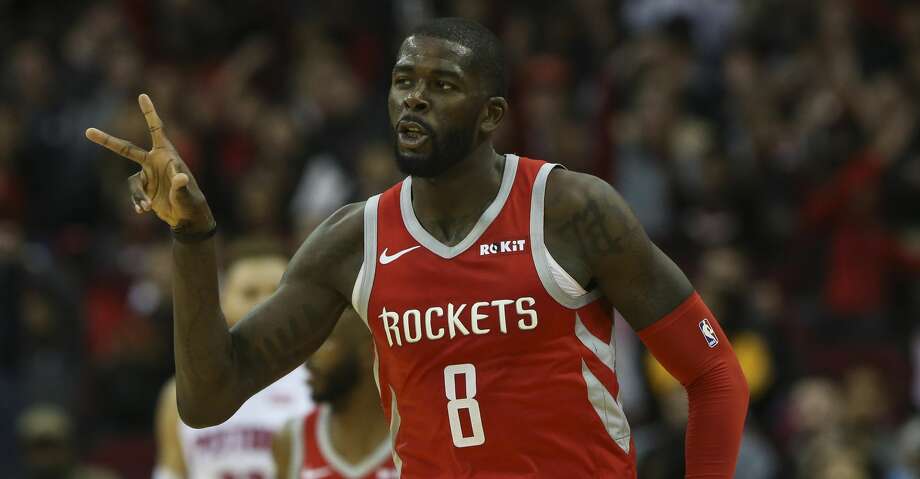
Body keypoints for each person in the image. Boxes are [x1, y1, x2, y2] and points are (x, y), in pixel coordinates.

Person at [86, 17, 748, 478]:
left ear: (491, 114)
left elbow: (715, 373)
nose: (415, 100)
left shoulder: (573, 210)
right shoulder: (353, 241)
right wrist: (195, 238)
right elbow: (208, 396)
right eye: (404, 81)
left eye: (443, 86)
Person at [152, 241, 312, 479]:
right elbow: (171, 472)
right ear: (223, 302)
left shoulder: (323, 383)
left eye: (276, 291)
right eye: (250, 293)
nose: (265, 303)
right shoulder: (178, 393)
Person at [272, 308, 396, 479]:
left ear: (369, 351)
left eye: (324, 342)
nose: (308, 357)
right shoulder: (292, 439)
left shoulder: (416, 439)